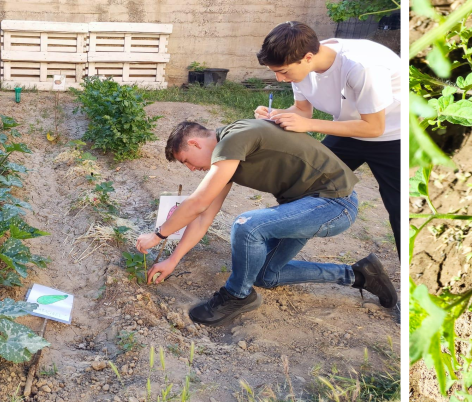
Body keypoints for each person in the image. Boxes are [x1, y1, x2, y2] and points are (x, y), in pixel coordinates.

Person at [134, 119, 397, 326]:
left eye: (187, 162)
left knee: (247, 224)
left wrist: (158, 236)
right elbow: (203, 215)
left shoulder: (234, 139)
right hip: (305, 206)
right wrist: (173, 259)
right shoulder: (229, 155)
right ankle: (360, 274)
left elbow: (198, 201)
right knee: (263, 274)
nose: (191, 169)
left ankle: (237, 296)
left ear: (194, 143)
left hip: (334, 203)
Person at [254, 21, 402, 253]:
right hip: (348, 129)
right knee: (303, 186)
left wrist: (309, 125)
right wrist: (276, 115)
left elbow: (374, 128)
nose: (280, 79)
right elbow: (302, 111)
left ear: (308, 57)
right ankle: (273, 257)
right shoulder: (301, 66)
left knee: (399, 208)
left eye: (282, 71)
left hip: (394, 136)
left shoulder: (362, 66)